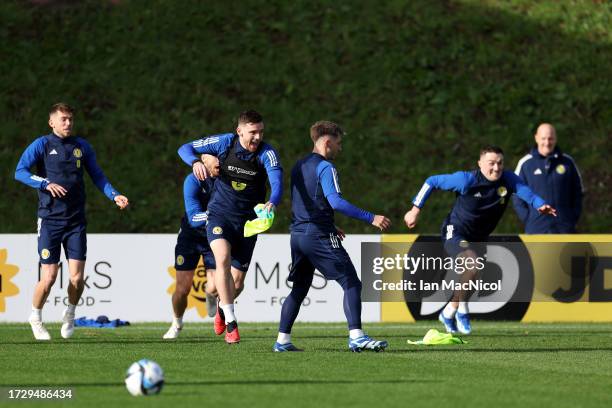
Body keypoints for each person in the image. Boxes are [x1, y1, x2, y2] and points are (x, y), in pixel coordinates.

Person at [404, 146, 556, 335]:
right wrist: (415, 209)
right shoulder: (466, 180)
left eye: (500, 163)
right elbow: (432, 181)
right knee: (472, 265)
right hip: (456, 232)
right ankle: (460, 311)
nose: (496, 167)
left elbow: (526, 192)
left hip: (479, 238)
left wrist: (540, 204)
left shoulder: (508, 179)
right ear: (480, 164)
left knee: (472, 276)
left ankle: (450, 311)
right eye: (491, 163)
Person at [274, 120, 391, 352]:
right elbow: (335, 201)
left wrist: (327, 224)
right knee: (351, 282)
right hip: (317, 235)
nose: (340, 148)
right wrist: (371, 217)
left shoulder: (298, 165)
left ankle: (282, 341)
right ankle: (357, 336)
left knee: (299, 288)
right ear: (327, 142)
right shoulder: (326, 167)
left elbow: (304, 201)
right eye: (338, 143)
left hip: (298, 234)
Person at [14, 103, 129, 340]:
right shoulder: (42, 145)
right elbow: (20, 171)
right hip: (49, 220)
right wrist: (45, 183)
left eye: (70, 120)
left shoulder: (81, 147)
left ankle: (70, 313)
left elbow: (98, 175)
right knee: (49, 277)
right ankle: (35, 316)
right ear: (52, 122)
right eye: (63, 119)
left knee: (77, 278)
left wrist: (114, 194)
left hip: (76, 221)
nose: (68, 123)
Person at [178, 110, 282, 344]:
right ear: (240, 131)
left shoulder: (267, 153)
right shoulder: (225, 142)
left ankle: (224, 311)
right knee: (222, 258)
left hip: (248, 223)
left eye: (261, 132)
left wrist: (272, 202)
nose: (257, 137)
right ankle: (232, 323)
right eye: (252, 132)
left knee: (237, 283)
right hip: (219, 215)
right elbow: (184, 148)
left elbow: (277, 183)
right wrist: (197, 160)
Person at [164, 155, 226, 339]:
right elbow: (193, 217)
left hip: (212, 236)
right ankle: (176, 323)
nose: (220, 162)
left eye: (221, 158)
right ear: (204, 161)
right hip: (189, 237)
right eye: (215, 159)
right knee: (182, 289)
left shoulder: (225, 180)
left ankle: (209, 294)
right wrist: (217, 215)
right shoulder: (192, 180)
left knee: (215, 286)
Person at [513, 123, 584, 233]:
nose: (547, 142)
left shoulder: (568, 162)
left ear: (555, 139)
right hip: (536, 229)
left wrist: (571, 218)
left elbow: (578, 192)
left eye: (550, 138)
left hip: (564, 228)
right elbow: (516, 194)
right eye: (543, 138)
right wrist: (528, 218)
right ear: (536, 138)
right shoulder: (525, 164)